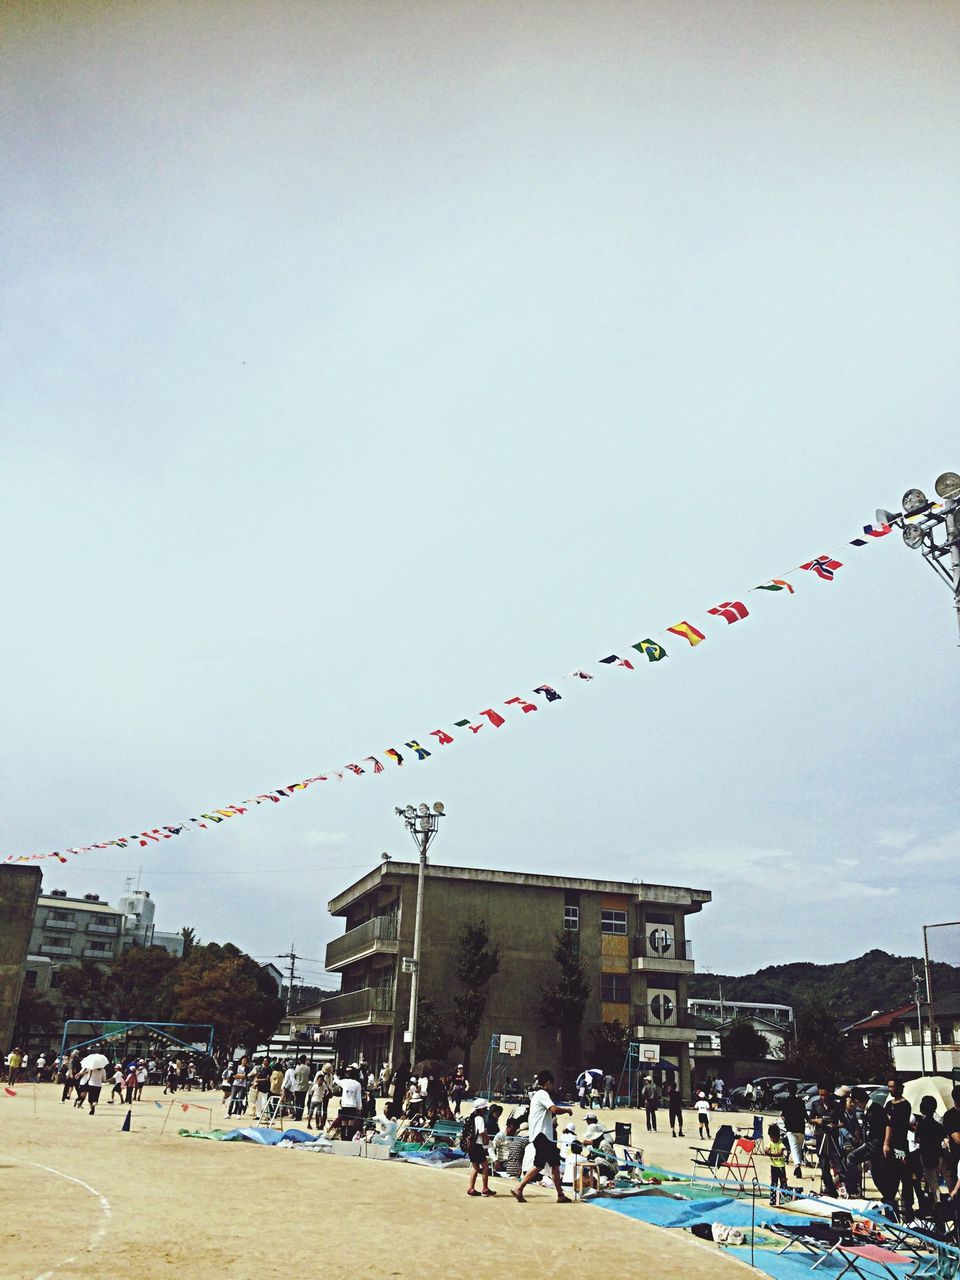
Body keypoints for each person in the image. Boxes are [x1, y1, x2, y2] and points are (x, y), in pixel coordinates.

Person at [511, 1070, 573, 1204]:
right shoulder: (542, 1094)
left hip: (544, 1136)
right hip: (542, 1135)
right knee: (539, 1164)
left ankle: (560, 1194)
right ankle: (519, 1187)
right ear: (548, 1083)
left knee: (555, 1165)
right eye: (551, 1084)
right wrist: (567, 1110)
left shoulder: (537, 1096)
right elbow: (554, 1110)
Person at [883, 1077, 914, 1217]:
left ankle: (907, 1206)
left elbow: (897, 1123)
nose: (890, 1090)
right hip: (891, 1145)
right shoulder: (889, 1104)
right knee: (890, 1176)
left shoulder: (905, 1105)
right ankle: (890, 1205)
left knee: (904, 1175)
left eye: (893, 1087)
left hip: (900, 1145)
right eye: (889, 1087)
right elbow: (886, 1122)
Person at [914, 1095, 945, 1211]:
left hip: (926, 1155)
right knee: (934, 1179)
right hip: (938, 1155)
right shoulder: (938, 1125)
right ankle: (933, 1203)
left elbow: (917, 1140)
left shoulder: (921, 1124)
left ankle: (937, 1204)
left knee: (932, 1181)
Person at [809, 1084, 841, 1197]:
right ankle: (831, 1190)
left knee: (839, 1164)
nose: (823, 1097)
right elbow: (810, 1119)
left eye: (825, 1095)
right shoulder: (815, 1104)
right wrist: (817, 1121)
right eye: (821, 1095)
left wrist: (835, 1125)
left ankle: (843, 1187)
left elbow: (843, 1122)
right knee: (823, 1165)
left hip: (832, 1137)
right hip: (820, 1136)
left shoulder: (836, 1106)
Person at [465, 1099, 496, 1197]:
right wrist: (486, 1141)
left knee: (475, 1167)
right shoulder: (479, 1119)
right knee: (485, 1166)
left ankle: (471, 1188)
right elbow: (482, 1132)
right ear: (481, 1109)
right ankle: (485, 1188)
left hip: (471, 1146)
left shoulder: (472, 1118)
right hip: (477, 1146)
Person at [781, 1083, 807, 1180]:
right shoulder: (800, 1102)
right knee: (798, 1149)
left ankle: (797, 1165)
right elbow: (805, 1115)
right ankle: (798, 1164)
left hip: (790, 1128)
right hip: (801, 1128)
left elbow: (783, 1116)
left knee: (794, 1148)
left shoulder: (786, 1102)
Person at [764, 1123, 789, 1205]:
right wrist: (767, 1152)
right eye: (771, 1137)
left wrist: (771, 1154)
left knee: (783, 1182)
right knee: (773, 1182)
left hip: (780, 1166)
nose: (772, 1139)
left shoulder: (780, 1144)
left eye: (774, 1137)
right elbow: (766, 1150)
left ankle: (784, 1197)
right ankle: (773, 1199)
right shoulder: (770, 1143)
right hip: (773, 1166)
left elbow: (780, 1153)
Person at [292, 1056, 310, 1122]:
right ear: (305, 1060)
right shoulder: (308, 1068)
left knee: (297, 1102)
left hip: (297, 1087)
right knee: (302, 1102)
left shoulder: (297, 1068)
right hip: (304, 1087)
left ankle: (297, 1116)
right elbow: (309, 1075)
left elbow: (294, 1076)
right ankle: (300, 1116)